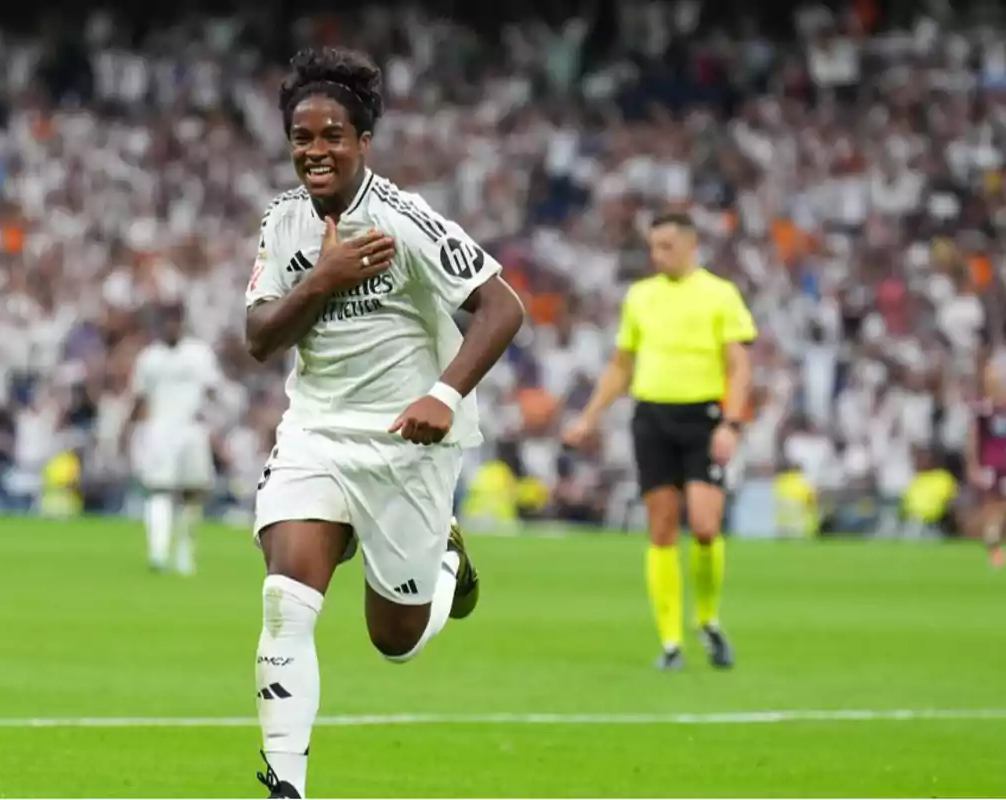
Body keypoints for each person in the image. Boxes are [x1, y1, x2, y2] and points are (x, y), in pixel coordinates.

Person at [244, 47, 525, 798]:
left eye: (332, 135)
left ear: (364, 140)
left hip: (406, 440)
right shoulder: (281, 223)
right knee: (285, 601)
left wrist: (446, 394)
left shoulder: (405, 220)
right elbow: (260, 339)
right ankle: (286, 785)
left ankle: (445, 566)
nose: (315, 151)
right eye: (302, 138)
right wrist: (325, 278)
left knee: (393, 641)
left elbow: (504, 308)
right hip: (315, 433)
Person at [564, 211, 755, 671]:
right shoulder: (640, 297)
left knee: (707, 526)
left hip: (703, 416)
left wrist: (731, 424)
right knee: (662, 527)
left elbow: (739, 366)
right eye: (653, 246)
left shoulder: (720, 294)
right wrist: (589, 417)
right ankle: (671, 644)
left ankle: (706, 619)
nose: (657, 255)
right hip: (651, 416)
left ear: (691, 246)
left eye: (666, 246)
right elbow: (620, 365)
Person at [125, 302, 220, 576]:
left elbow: (212, 389)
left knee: (192, 493)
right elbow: (139, 397)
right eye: (166, 321)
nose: (171, 326)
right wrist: (129, 431)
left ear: (182, 323)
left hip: (191, 429)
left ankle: (184, 553)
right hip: (160, 430)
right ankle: (158, 552)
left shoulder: (199, 354)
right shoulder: (149, 358)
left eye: (175, 321)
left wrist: (214, 419)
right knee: (159, 489)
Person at [967, 356, 1006, 569]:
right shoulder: (984, 410)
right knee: (992, 505)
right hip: (991, 465)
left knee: (1000, 506)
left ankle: (993, 542)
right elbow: (973, 439)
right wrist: (973, 465)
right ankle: (993, 547)